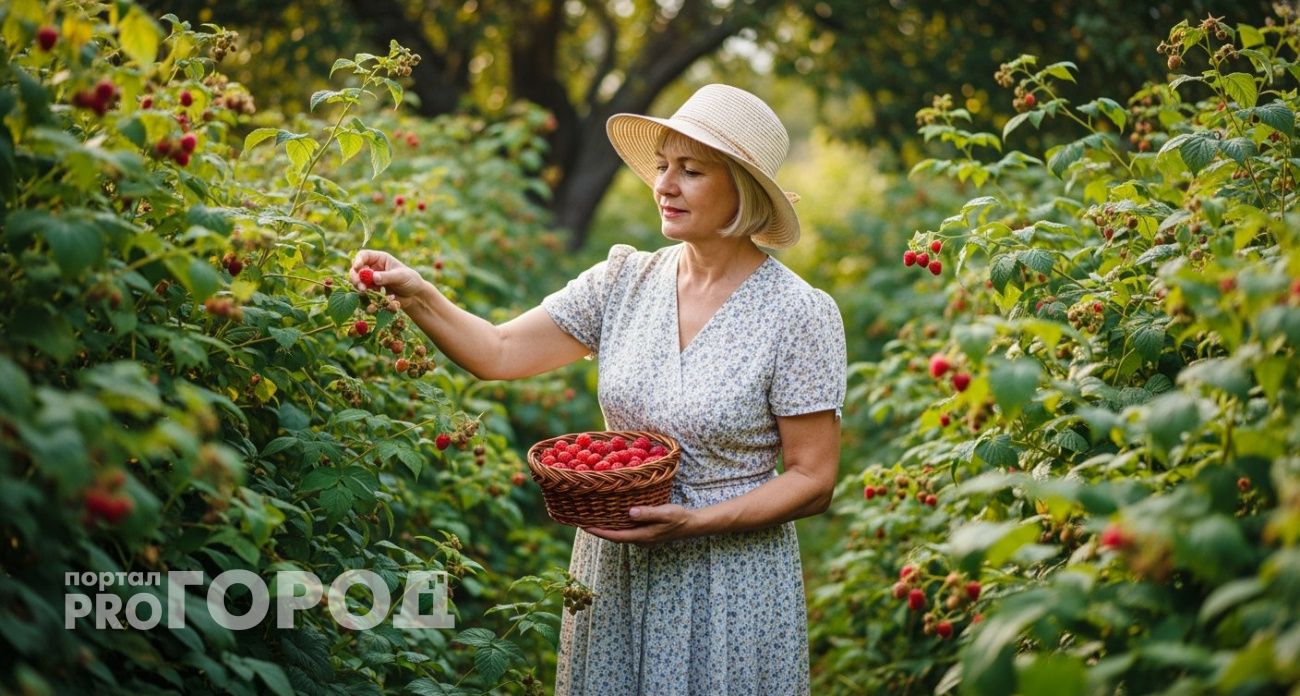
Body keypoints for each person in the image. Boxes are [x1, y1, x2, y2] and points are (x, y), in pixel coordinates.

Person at [351, 83, 846, 695]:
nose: (664, 185)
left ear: (743, 189)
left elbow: (812, 478)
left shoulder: (798, 313)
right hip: (617, 566)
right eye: (663, 167)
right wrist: (417, 291)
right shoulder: (623, 281)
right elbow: (500, 352)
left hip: (730, 580)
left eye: (691, 171)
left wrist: (695, 522)